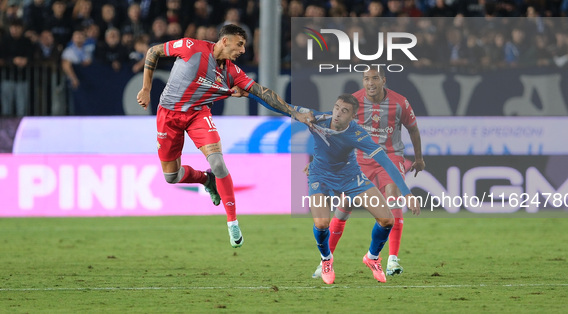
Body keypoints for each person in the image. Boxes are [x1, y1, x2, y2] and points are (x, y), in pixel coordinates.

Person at [136, 24, 312, 248]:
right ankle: (206, 179)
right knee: (171, 177)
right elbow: (153, 51)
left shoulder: (232, 72)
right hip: (168, 116)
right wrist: (146, 88)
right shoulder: (192, 47)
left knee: (218, 162)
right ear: (225, 41)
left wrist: (293, 112)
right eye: (240, 44)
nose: (243, 50)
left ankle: (232, 223)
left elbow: (261, 92)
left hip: (198, 115)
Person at [245, 92, 420, 284]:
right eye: (337, 107)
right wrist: (250, 93)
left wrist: (407, 193)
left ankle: (372, 257)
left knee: (387, 219)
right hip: (320, 176)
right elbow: (281, 105)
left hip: (351, 177)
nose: (338, 113)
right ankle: (326, 259)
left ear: (353, 117)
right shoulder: (316, 118)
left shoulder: (358, 134)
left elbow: (386, 162)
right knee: (321, 224)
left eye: (344, 111)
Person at [315, 68, 426, 278]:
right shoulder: (354, 102)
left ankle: (392, 259)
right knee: (344, 207)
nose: (370, 82)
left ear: (383, 80)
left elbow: (413, 128)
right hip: (360, 159)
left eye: (375, 78)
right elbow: (336, 128)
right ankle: (326, 260)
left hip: (390, 156)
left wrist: (418, 158)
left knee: (392, 199)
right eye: (366, 79)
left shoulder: (400, 102)